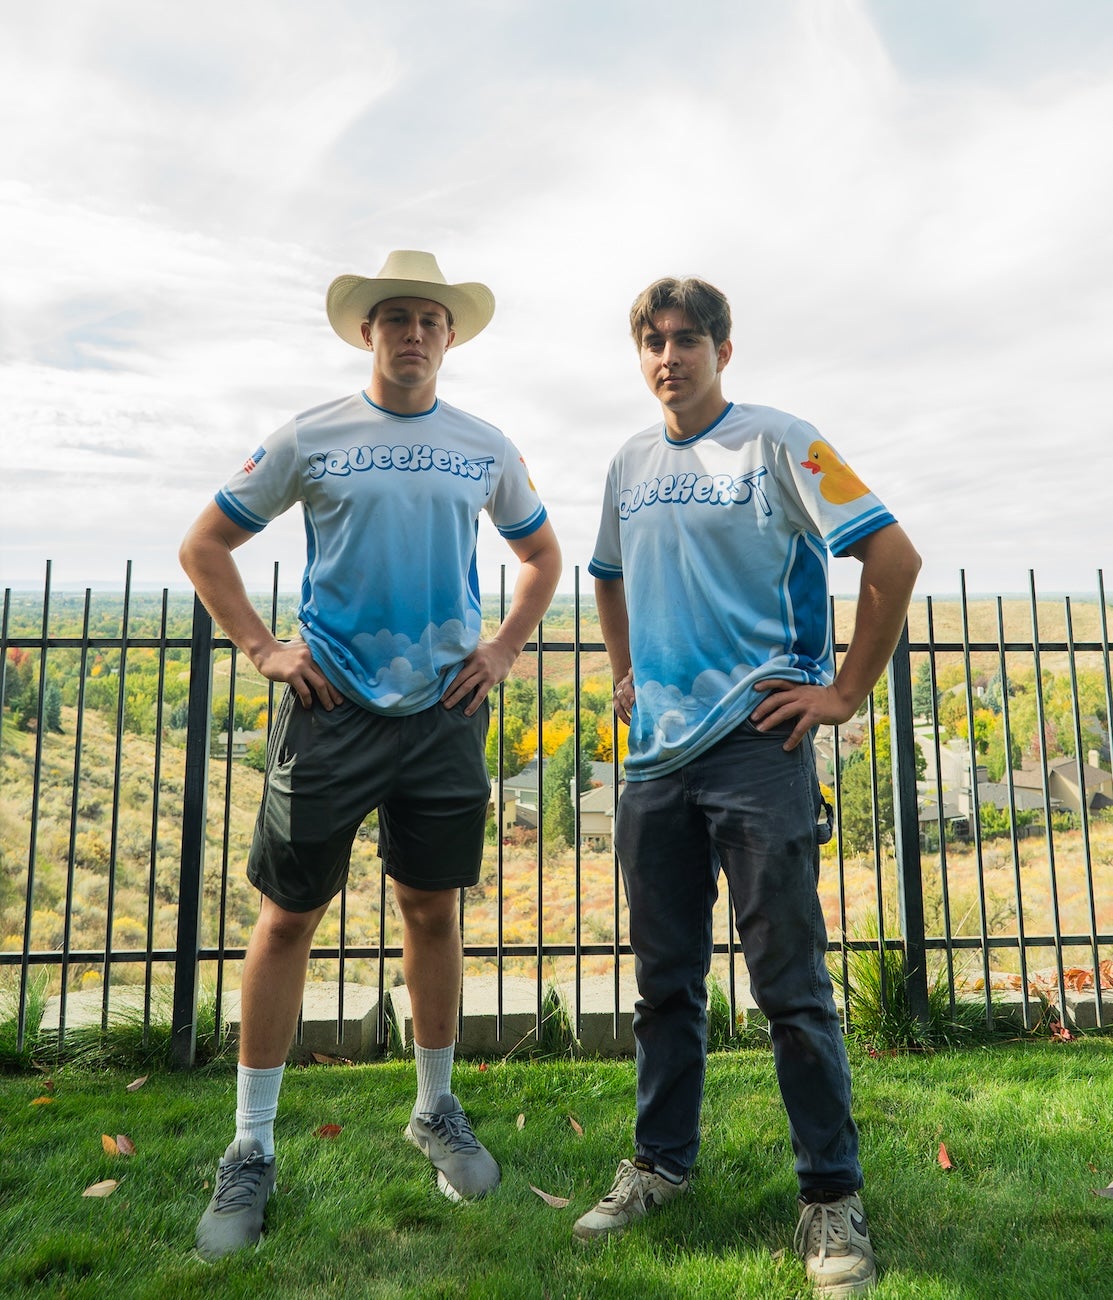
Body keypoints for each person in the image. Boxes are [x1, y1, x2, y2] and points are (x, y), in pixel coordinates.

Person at [180, 249, 561, 1261]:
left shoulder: (483, 445)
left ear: (449, 335)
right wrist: (263, 646)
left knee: (431, 910)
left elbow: (542, 554)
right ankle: (251, 1147)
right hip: (331, 708)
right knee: (288, 918)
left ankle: (435, 1109)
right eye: (394, 317)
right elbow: (204, 544)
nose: (412, 333)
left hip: (444, 715)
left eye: (429, 319)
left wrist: (502, 649)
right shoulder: (313, 434)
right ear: (366, 332)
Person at [578, 275, 920, 1296]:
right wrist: (624, 672)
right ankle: (660, 1165)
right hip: (655, 762)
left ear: (724, 348)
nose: (669, 357)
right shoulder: (629, 463)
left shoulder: (783, 443)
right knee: (664, 982)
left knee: (790, 987)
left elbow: (892, 557)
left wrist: (846, 689)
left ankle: (831, 1198)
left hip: (755, 749)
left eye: (687, 339)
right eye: (653, 341)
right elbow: (607, 571)